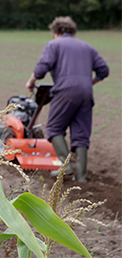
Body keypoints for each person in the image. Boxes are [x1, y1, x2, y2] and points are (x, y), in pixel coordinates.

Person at [26, 16, 109, 182]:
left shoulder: (54, 44)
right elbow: (104, 71)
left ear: (56, 31)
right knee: (81, 135)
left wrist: (31, 81)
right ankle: (82, 177)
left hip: (65, 92)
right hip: (86, 94)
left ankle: (65, 167)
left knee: (54, 128)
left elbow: (42, 69)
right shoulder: (87, 47)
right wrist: (89, 83)